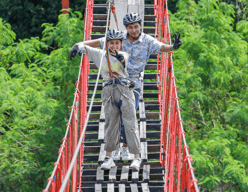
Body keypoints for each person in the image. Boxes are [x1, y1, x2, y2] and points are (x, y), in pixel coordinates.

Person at [73, 13, 183, 158]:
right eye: (130, 27)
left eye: (136, 26)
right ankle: (115, 149)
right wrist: (79, 44)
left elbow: (161, 47)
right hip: (115, 82)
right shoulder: (118, 39)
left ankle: (125, 147)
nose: (134, 30)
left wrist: (173, 47)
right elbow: (99, 42)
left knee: (129, 116)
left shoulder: (147, 41)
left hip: (134, 84)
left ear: (141, 26)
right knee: (114, 118)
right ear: (126, 28)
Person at [69, 29, 143, 171]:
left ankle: (137, 158)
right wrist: (77, 46)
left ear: (121, 44)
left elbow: (124, 59)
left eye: (117, 43)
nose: (114, 46)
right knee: (110, 124)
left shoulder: (125, 54)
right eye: (111, 43)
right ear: (107, 43)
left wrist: (120, 57)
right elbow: (85, 47)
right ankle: (109, 158)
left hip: (125, 90)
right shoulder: (101, 55)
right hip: (109, 90)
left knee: (130, 123)